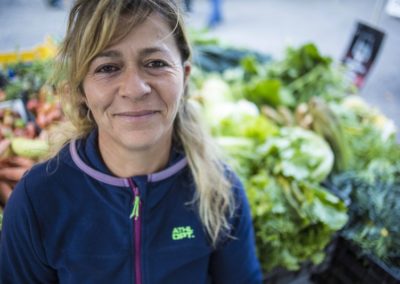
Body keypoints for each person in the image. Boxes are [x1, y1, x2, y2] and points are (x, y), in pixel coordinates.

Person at [0, 0, 262, 283]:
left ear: (185, 78)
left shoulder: (220, 191)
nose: (135, 89)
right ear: (80, 90)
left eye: (156, 63)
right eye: (108, 67)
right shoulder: (37, 199)